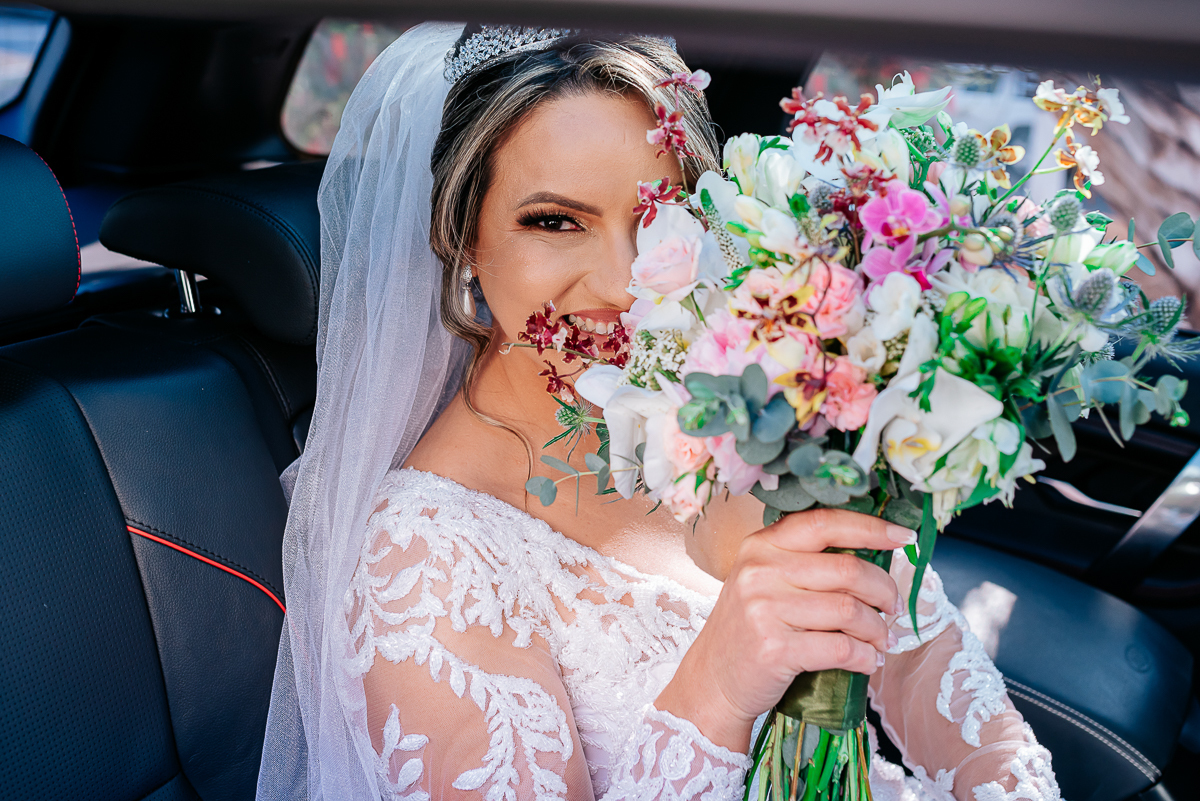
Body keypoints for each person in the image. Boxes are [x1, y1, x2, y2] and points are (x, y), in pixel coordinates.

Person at [256, 22, 1061, 801]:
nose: (621, 283)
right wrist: (718, 681)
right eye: (555, 221)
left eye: (656, 218)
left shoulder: (762, 403)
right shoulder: (424, 557)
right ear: (462, 236)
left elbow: (940, 686)